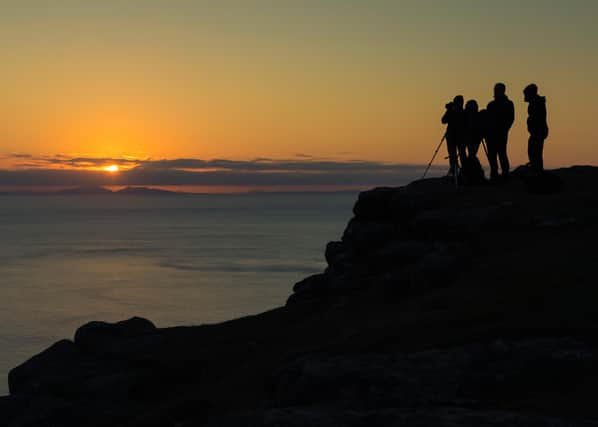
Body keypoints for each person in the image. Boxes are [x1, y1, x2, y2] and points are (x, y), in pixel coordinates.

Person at [486, 83, 515, 181]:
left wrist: (504, 129)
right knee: (492, 155)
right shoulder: (491, 105)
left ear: (503, 91)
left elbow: (511, 119)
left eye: (497, 90)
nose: (495, 91)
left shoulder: (508, 103)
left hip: (501, 133)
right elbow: (488, 119)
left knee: (502, 153)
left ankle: (505, 174)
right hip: (490, 135)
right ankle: (494, 174)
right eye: (495, 89)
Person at [524, 83, 549, 173]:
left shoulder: (536, 103)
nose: (524, 96)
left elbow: (536, 118)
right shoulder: (536, 103)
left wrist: (530, 122)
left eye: (526, 94)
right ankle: (536, 168)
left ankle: (537, 170)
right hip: (537, 131)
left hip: (538, 132)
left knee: (535, 151)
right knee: (534, 151)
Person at [441, 95, 465, 176]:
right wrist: (449, 111)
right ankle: (454, 171)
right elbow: (443, 120)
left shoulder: (463, 112)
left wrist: (450, 110)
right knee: (453, 154)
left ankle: (462, 171)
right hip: (452, 136)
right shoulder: (452, 111)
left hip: (459, 136)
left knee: (460, 154)